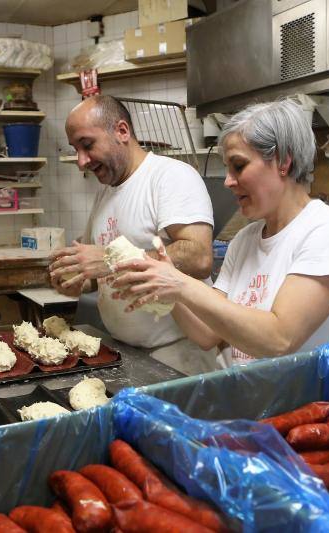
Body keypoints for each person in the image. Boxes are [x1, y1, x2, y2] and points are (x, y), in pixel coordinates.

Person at [111, 99, 329, 367]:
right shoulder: (245, 241)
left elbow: (279, 340)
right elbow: (207, 333)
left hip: (312, 406)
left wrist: (179, 283)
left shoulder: (328, 231)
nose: (228, 181)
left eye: (239, 166)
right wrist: (165, 291)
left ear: (283, 162)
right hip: (250, 404)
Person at [49, 95, 219, 375]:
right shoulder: (106, 192)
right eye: (75, 149)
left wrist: (111, 260)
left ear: (122, 131)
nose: (81, 161)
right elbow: (101, 271)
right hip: (126, 352)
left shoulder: (170, 176)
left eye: (87, 145)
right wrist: (80, 280)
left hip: (180, 355)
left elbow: (199, 256)